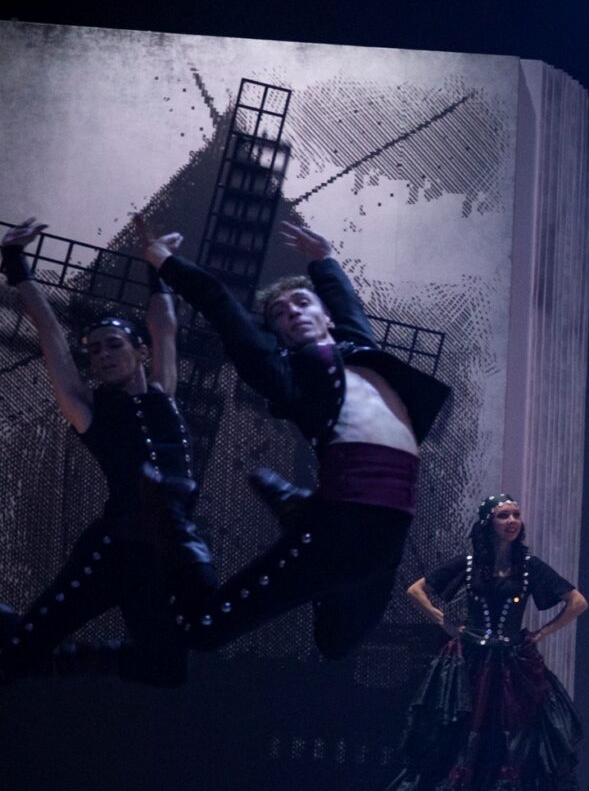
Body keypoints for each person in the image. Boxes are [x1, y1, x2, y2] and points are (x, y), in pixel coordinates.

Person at [144, 221, 450, 658]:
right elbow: (220, 305)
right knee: (203, 630)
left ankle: (298, 508)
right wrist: (163, 262)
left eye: (302, 303)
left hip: (387, 539)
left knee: (336, 644)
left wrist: (324, 260)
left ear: (326, 317)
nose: (292, 313)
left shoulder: (359, 351)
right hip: (335, 530)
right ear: (280, 335)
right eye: (280, 315)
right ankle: (185, 543)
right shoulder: (287, 375)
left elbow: (348, 308)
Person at [0, 220, 213, 686]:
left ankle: (64, 660)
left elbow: (165, 326)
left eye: (112, 345)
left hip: (160, 561)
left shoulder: (163, 392)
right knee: (16, 657)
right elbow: (50, 333)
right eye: (94, 351)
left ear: (140, 352)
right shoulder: (90, 411)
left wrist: (156, 267)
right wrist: (16, 265)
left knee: (168, 670)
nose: (101, 356)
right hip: (113, 551)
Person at [384, 495, 589, 791]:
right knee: (473, 746)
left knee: (527, 748)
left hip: (514, 667)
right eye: (503, 515)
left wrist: (542, 633)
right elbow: (415, 590)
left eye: (516, 514)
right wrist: (445, 622)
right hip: (472, 665)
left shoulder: (528, 567)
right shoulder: (468, 565)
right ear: (487, 523)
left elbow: (577, 601)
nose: (512, 520)